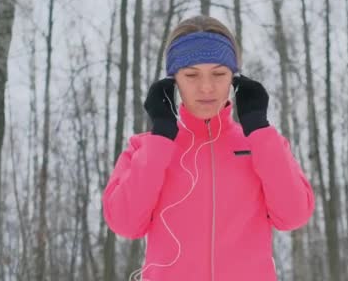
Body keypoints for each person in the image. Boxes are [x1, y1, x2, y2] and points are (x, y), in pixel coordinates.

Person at [102, 15, 315, 281]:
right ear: (174, 80)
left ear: (233, 79)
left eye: (219, 73)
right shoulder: (145, 148)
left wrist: (259, 130)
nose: (206, 87)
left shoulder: (261, 144)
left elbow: (293, 215)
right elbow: (125, 223)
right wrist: (160, 140)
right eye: (191, 75)